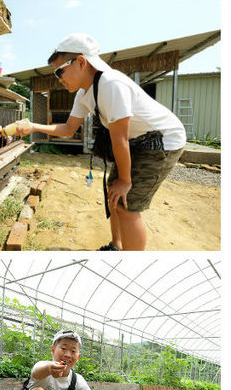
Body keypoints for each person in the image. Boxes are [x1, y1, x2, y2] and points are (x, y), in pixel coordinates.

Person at [10, 33, 186, 251]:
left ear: (81, 62)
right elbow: (68, 128)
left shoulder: (111, 84)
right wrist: (34, 127)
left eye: (59, 71)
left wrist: (126, 179)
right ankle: (116, 246)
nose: (58, 78)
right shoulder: (84, 93)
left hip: (163, 139)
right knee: (114, 190)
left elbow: (119, 137)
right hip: (137, 140)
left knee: (126, 204)